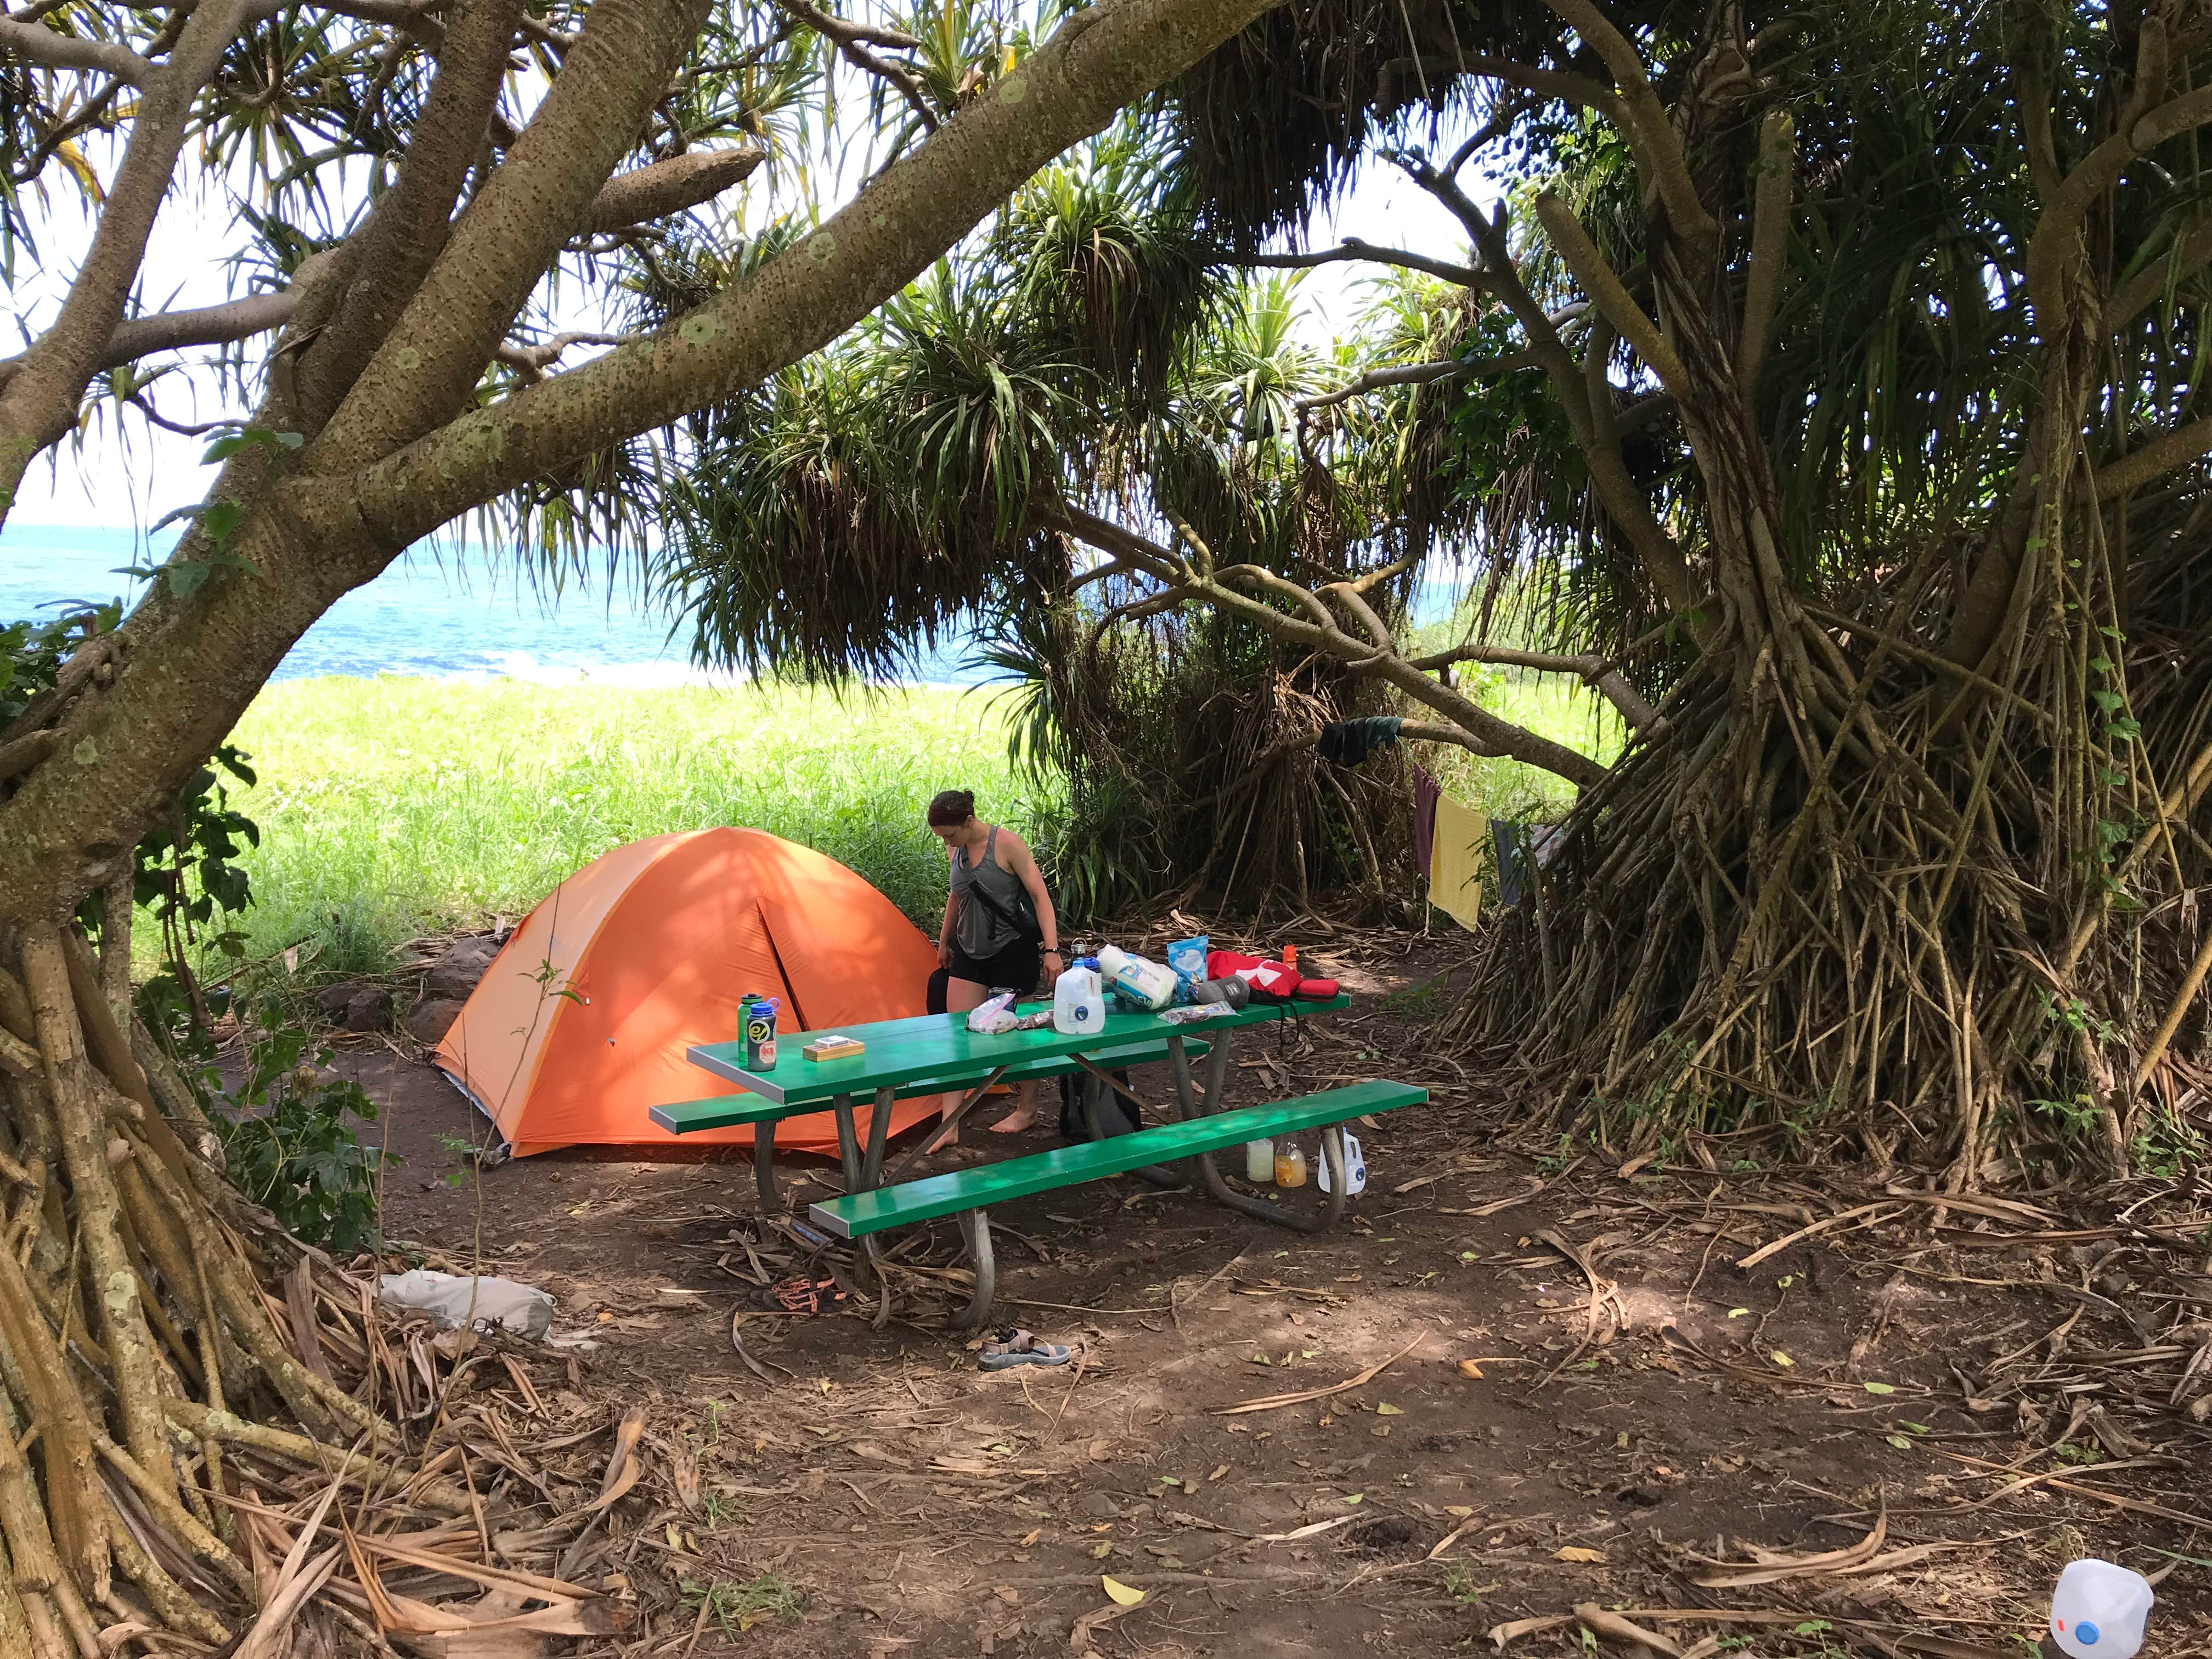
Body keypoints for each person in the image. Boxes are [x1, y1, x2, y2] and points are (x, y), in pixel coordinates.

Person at [926, 788, 1061, 1141]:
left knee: (1019, 1036)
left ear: (969, 821)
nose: (947, 842)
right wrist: (944, 941)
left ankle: (1027, 1110)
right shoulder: (954, 844)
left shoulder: (1007, 844)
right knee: (958, 1034)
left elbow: (1039, 896)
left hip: (1012, 950)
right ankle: (950, 1124)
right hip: (969, 950)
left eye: (950, 834)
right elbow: (957, 894)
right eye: (941, 837)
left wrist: (1052, 949)